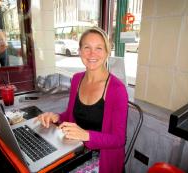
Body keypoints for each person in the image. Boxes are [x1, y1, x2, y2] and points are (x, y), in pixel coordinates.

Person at [36, 27, 128, 173]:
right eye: (87, 48)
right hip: (75, 149)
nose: (92, 53)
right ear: (79, 51)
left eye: (99, 48)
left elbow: (119, 139)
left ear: (107, 52)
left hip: (102, 158)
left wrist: (86, 135)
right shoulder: (77, 79)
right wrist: (56, 117)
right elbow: (71, 116)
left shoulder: (117, 89)